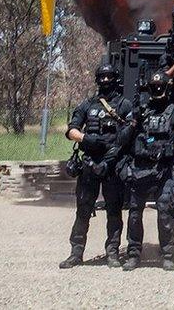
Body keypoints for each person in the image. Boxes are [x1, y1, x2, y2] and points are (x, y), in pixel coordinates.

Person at [114, 71, 174, 272]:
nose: (158, 91)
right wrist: (133, 122)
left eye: (161, 87)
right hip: (140, 169)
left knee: (165, 211)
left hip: (166, 171)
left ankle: (166, 255)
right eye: (154, 88)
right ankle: (134, 254)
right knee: (134, 213)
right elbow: (122, 141)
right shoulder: (139, 113)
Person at [59, 64, 133, 269]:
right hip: (89, 163)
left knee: (114, 211)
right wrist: (86, 139)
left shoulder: (124, 105)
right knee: (83, 209)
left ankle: (112, 252)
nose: (106, 81)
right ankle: (76, 252)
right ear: (97, 80)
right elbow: (71, 130)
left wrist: (114, 151)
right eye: (102, 77)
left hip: (112, 164)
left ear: (116, 79)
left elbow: (129, 134)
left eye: (109, 77)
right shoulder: (87, 104)